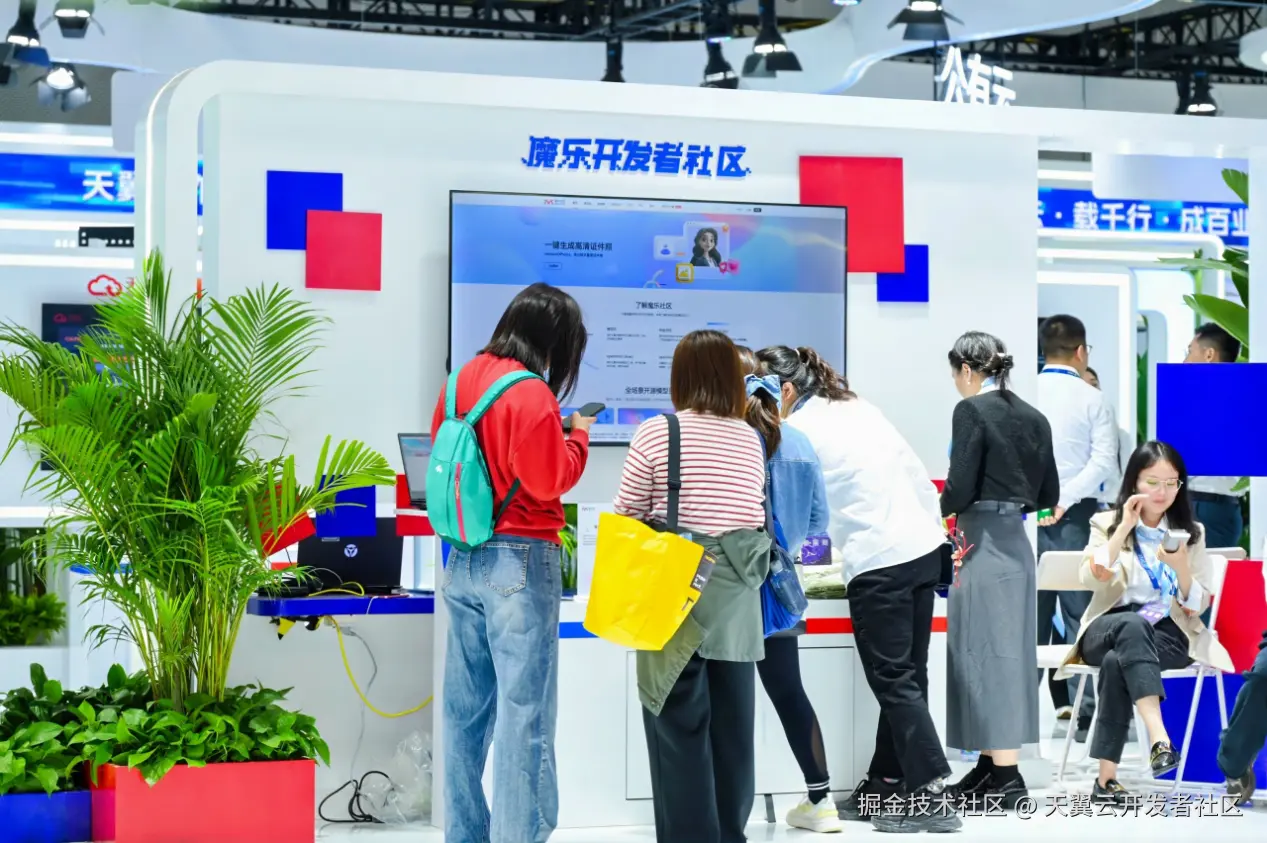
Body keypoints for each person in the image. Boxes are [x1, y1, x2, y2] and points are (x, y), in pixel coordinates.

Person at [758, 345, 958, 833]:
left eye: (762, 390)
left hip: (880, 558)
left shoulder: (797, 431)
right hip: (924, 547)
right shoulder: (857, 406)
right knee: (909, 676)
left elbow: (803, 517)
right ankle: (884, 783)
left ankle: (930, 797)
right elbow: (916, 477)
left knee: (893, 680)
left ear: (787, 390)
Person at [431, 282, 594, 843]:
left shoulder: (459, 382)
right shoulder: (531, 393)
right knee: (525, 715)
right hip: (521, 560)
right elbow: (550, 481)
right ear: (555, 340)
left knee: (464, 715)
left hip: (463, 555)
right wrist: (579, 438)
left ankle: (465, 835)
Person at [614, 329, 771, 843]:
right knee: (733, 732)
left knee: (677, 728)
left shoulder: (658, 431)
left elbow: (627, 512)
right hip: (737, 597)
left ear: (679, 378)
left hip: (674, 592)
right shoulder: (749, 437)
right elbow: (752, 514)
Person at [1058, 441, 1233, 804]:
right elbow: (1092, 578)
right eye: (1152, 482)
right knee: (1129, 627)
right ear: (1134, 481)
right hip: (1108, 626)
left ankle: (1106, 781)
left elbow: (1197, 605)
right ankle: (1159, 736)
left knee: (1117, 660)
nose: (1162, 492)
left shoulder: (1192, 532)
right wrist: (1123, 528)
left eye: (1171, 483)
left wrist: (1181, 567)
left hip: (1168, 632)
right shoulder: (1106, 523)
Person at [941, 331, 1059, 809]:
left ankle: (1007, 777)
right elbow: (1049, 494)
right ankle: (990, 768)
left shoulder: (970, 410)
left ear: (968, 370)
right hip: (1016, 542)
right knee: (1005, 654)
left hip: (980, 539)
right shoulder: (1035, 416)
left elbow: (959, 486)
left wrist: (938, 507)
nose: (956, 383)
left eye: (955, 374)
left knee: (984, 654)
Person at [735, 346, 838, 833]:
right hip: (781, 586)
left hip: (733, 583)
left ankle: (728, 808)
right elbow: (818, 523)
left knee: (729, 696)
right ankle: (821, 798)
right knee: (789, 692)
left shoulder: (735, 439)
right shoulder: (799, 442)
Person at [1034, 315, 1117, 737]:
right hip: (1077, 516)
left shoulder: (1021, 393)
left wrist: (1040, 500)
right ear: (1081, 351)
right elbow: (1103, 462)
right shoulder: (1092, 398)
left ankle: (1019, 717)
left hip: (1025, 517)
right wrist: (1064, 498)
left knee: (1028, 617)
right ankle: (1086, 715)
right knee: (1081, 615)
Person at [1183, 323, 1246, 551]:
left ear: (1209, 355)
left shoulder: (1240, 399)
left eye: (1190, 351)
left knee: (1209, 571)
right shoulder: (1192, 398)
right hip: (1192, 502)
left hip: (1212, 507)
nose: (1185, 361)